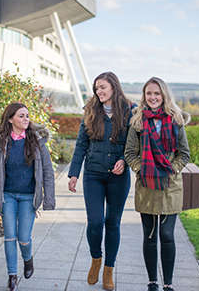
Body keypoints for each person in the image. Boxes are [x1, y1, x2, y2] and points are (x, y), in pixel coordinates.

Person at [68, 71, 133, 291]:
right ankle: (96, 258)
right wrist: (74, 174)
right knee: (95, 222)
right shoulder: (90, 111)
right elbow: (80, 145)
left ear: (114, 87)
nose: (99, 91)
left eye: (103, 87)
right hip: (93, 175)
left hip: (118, 178)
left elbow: (134, 145)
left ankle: (108, 270)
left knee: (112, 223)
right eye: (97, 88)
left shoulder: (130, 112)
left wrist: (124, 160)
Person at [124, 77, 190, 291]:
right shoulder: (137, 121)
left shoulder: (176, 120)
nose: (152, 97)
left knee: (167, 235)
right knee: (150, 235)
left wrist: (172, 169)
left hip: (171, 185)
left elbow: (184, 154)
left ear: (164, 95)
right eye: (149, 93)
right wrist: (140, 170)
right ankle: (152, 282)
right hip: (147, 185)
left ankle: (168, 284)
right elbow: (130, 153)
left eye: (157, 93)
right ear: (144, 96)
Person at [0, 102, 56, 291]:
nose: (26, 119)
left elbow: (48, 172)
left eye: (27, 116)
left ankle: (28, 259)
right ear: (10, 119)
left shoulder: (37, 142)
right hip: (7, 196)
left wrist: (48, 199)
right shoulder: (1, 143)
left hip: (28, 197)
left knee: (24, 237)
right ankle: (12, 276)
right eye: (21, 116)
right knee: (9, 237)